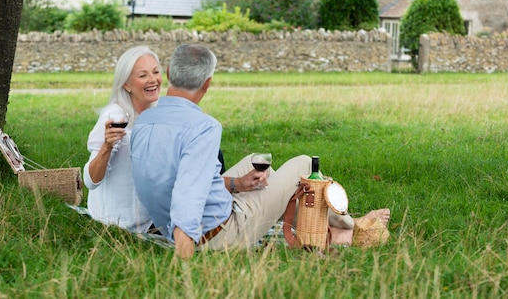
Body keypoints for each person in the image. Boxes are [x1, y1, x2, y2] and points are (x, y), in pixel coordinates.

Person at [131, 43, 389, 258]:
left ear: (167, 73)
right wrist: (184, 254)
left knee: (253, 162)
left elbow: (174, 179)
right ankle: (355, 227)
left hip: (175, 226)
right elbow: (187, 192)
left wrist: (237, 184)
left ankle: (321, 229)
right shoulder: (204, 127)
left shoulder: (144, 121)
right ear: (207, 83)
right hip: (216, 235)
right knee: (303, 164)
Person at [83, 45, 162, 232]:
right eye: (142, 75)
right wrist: (106, 147)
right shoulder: (115, 117)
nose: (153, 80)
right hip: (117, 225)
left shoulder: (155, 114)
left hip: (147, 220)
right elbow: (90, 181)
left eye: (156, 72)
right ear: (126, 84)